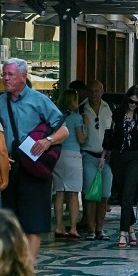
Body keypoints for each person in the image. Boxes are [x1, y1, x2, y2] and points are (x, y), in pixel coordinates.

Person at [0, 58, 67, 263]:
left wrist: (48, 141)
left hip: (34, 168)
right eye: (4, 74)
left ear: (23, 77)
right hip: (8, 168)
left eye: (10, 74)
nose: (5, 79)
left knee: (33, 223)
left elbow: (64, 130)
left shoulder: (39, 100)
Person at [109, 86, 138, 248]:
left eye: (136, 103)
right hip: (118, 156)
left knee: (128, 194)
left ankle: (122, 234)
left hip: (134, 157)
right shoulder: (118, 114)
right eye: (130, 101)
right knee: (121, 194)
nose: (133, 105)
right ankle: (131, 228)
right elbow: (112, 135)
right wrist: (105, 155)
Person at [79, 79, 112, 241]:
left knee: (104, 194)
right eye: (91, 91)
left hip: (105, 157)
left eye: (97, 91)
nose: (94, 94)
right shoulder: (82, 109)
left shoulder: (109, 109)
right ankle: (91, 228)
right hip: (88, 155)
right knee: (90, 195)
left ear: (102, 92)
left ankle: (100, 228)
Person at [51, 89, 85, 240]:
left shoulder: (57, 116)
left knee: (59, 192)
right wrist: (87, 127)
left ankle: (58, 227)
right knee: (73, 194)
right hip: (73, 156)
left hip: (58, 155)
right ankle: (73, 228)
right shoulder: (77, 117)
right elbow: (81, 139)